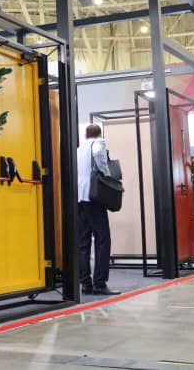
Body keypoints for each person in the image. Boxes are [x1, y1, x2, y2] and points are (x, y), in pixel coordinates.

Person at [77, 124, 119, 296]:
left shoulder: (79, 149)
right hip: (94, 197)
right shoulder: (98, 143)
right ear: (99, 134)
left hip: (80, 198)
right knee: (103, 239)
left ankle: (85, 284)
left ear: (86, 135)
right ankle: (100, 283)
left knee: (83, 242)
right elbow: (98, 156)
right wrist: (108, 175)